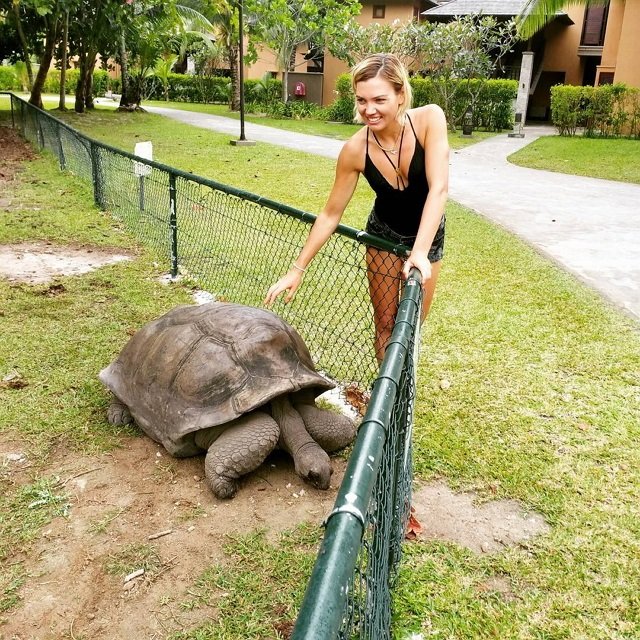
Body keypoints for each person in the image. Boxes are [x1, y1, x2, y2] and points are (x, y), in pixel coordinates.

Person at [265, 53, 449, 363]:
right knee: (386, 324)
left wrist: (419, 251)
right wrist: (296, 269)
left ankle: (403, 388)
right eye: (362, 100)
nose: (369, 110)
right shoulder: (354, 150)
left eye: (379, 99)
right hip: (384, 235)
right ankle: (388, 396)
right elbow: (330, 214)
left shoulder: (430, 120)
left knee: (411, 325)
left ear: (401, 94)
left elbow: (439, 189)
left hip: (428, 235)